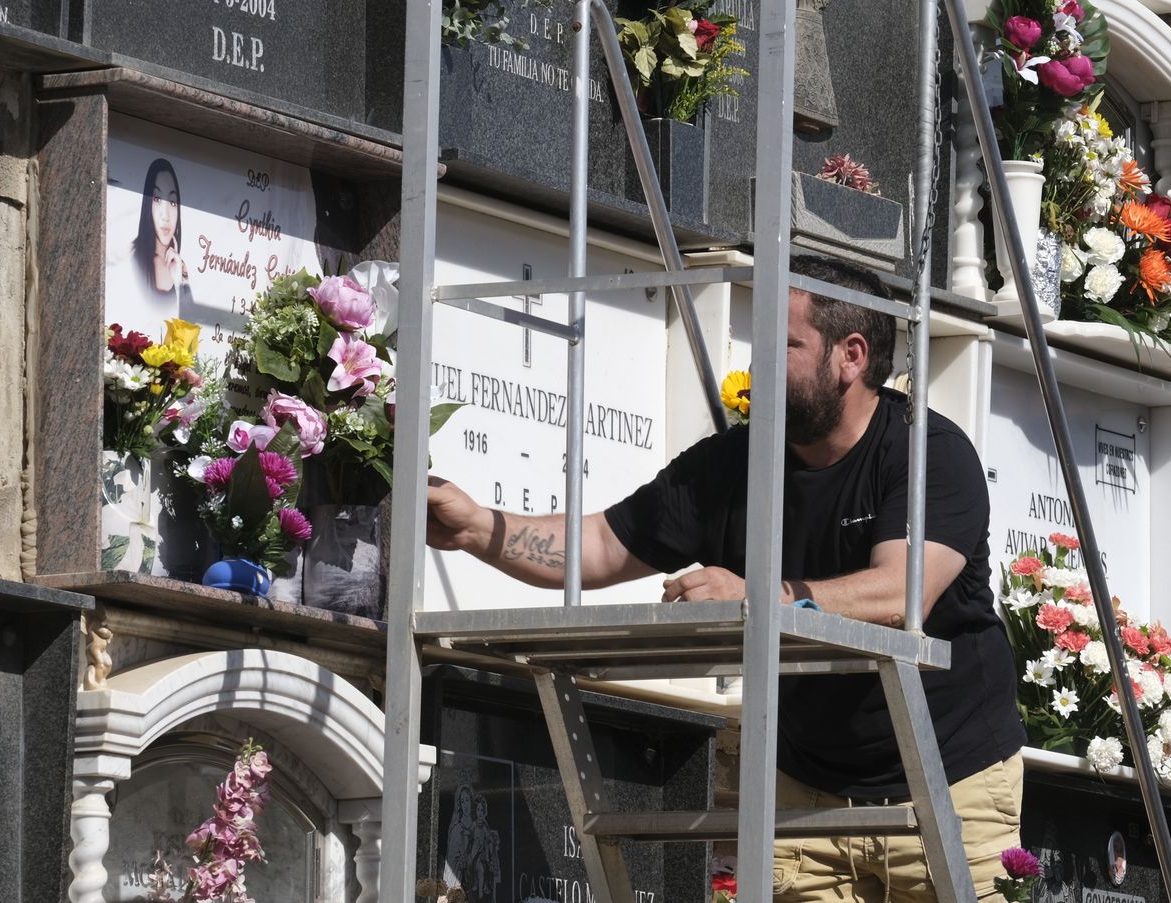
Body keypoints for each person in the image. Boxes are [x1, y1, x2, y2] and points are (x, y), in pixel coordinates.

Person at [426, 256, 1026, 902]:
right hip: (807, 794)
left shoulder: (927, 451)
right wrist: (475, 527)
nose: (757, 363)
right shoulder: (732, 465)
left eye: (783, 345)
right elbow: (601, 545)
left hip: (951, 779)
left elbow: (899, 593)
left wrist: (755, 597)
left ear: (851, 356)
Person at [132, 157, 194, 311]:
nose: (165, 216)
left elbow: (190, 319)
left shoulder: (180, 266)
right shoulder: (134, 258)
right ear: (148, 204)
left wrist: (180, 281)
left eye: (172, 202)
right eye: (157, 199)